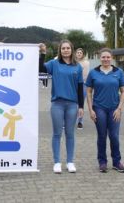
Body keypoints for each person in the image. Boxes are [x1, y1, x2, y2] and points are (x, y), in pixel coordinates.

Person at [39, 40, 84, 174]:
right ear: (60, 50)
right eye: (63, 48)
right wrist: (42, 53)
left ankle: (70, 162)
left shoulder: (77, 67)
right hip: (57, 104)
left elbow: (80, 87)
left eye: (68, 48)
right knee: (57, 134)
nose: (65, 50)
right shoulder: (54, 64)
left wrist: (81, 106)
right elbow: (40, 68)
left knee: (70, 134)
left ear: (72, 50)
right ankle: (57, 162)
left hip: (72, 105)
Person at [85, 47, 124, 173]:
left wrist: (119, 108)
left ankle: (116, 162)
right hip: (99, 108)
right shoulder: (93, 73)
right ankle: (102, 162)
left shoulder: (118, 72)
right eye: (103, 57)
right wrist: (90, 109)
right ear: (100, 58)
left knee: (114, 136)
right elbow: (88, 92)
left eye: (108, 57)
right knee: (102, 136)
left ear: (112, 58)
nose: (106, 59)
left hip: (114, 109)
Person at [75, 48, 90, 129]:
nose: (79, 54)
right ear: (75, 54)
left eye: (80, 52)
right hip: (73, 85)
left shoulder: (86, 63)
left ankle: (80, 121)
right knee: (71, 103)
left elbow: (85, 75)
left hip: (83, 84)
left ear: (83, 54)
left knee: (81, 104)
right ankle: (67, 121)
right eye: (78, 52)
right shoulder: (72, 62)